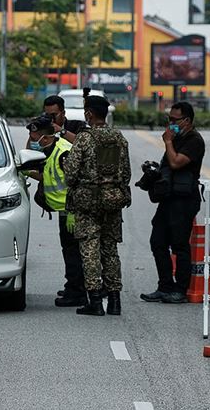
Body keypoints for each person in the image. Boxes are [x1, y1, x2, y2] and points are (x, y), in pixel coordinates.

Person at [62, 96, 131, 316]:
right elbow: (126, 174)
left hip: (87, 203)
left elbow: (70, 175)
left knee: (90, 249)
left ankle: (94, 301)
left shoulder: (84, 139)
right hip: (113, 201)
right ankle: (114, 301)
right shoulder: (119, 138)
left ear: (90, 114)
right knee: (110, 250)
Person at [141, 102, 206, 304]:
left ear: (186, 120)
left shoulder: (194, 140)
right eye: (168, 120)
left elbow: (177, 162)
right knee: (157, 241)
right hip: (169, 197)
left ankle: (180, 289)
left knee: (179, 244)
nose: (170, 124)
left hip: (184, 199)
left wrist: (168, 142)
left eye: (174, 120)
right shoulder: (178, 138)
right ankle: (165, 286)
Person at [25, 116, 86, 307]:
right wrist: (26, 171)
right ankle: (74, 287)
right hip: (63, 210)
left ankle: (76, 292)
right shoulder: (48, 151)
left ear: (46, 137)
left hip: (71, 211)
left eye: (34, 138)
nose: (32, 141)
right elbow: (47, 175)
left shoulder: (63, 153)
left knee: (73, 253)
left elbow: (77, 183)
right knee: (70, 251)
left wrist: (73, 211)